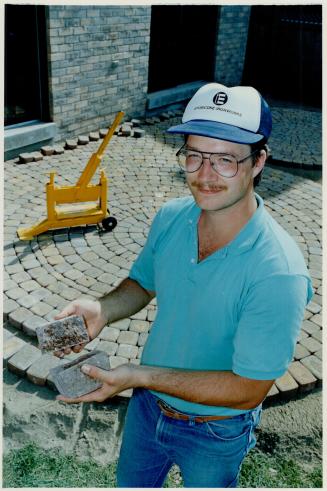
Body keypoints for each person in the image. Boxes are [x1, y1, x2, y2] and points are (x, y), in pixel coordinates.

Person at [55, 83, 313, 487]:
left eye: (225, 160)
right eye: (194, 156)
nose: (205, 176)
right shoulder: (172, 216)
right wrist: (103, 309)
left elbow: (248, 390)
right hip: (146, 411)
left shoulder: (278, 272)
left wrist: (139, 375)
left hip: (216, 432)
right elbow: (142, 283)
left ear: (258, 161)